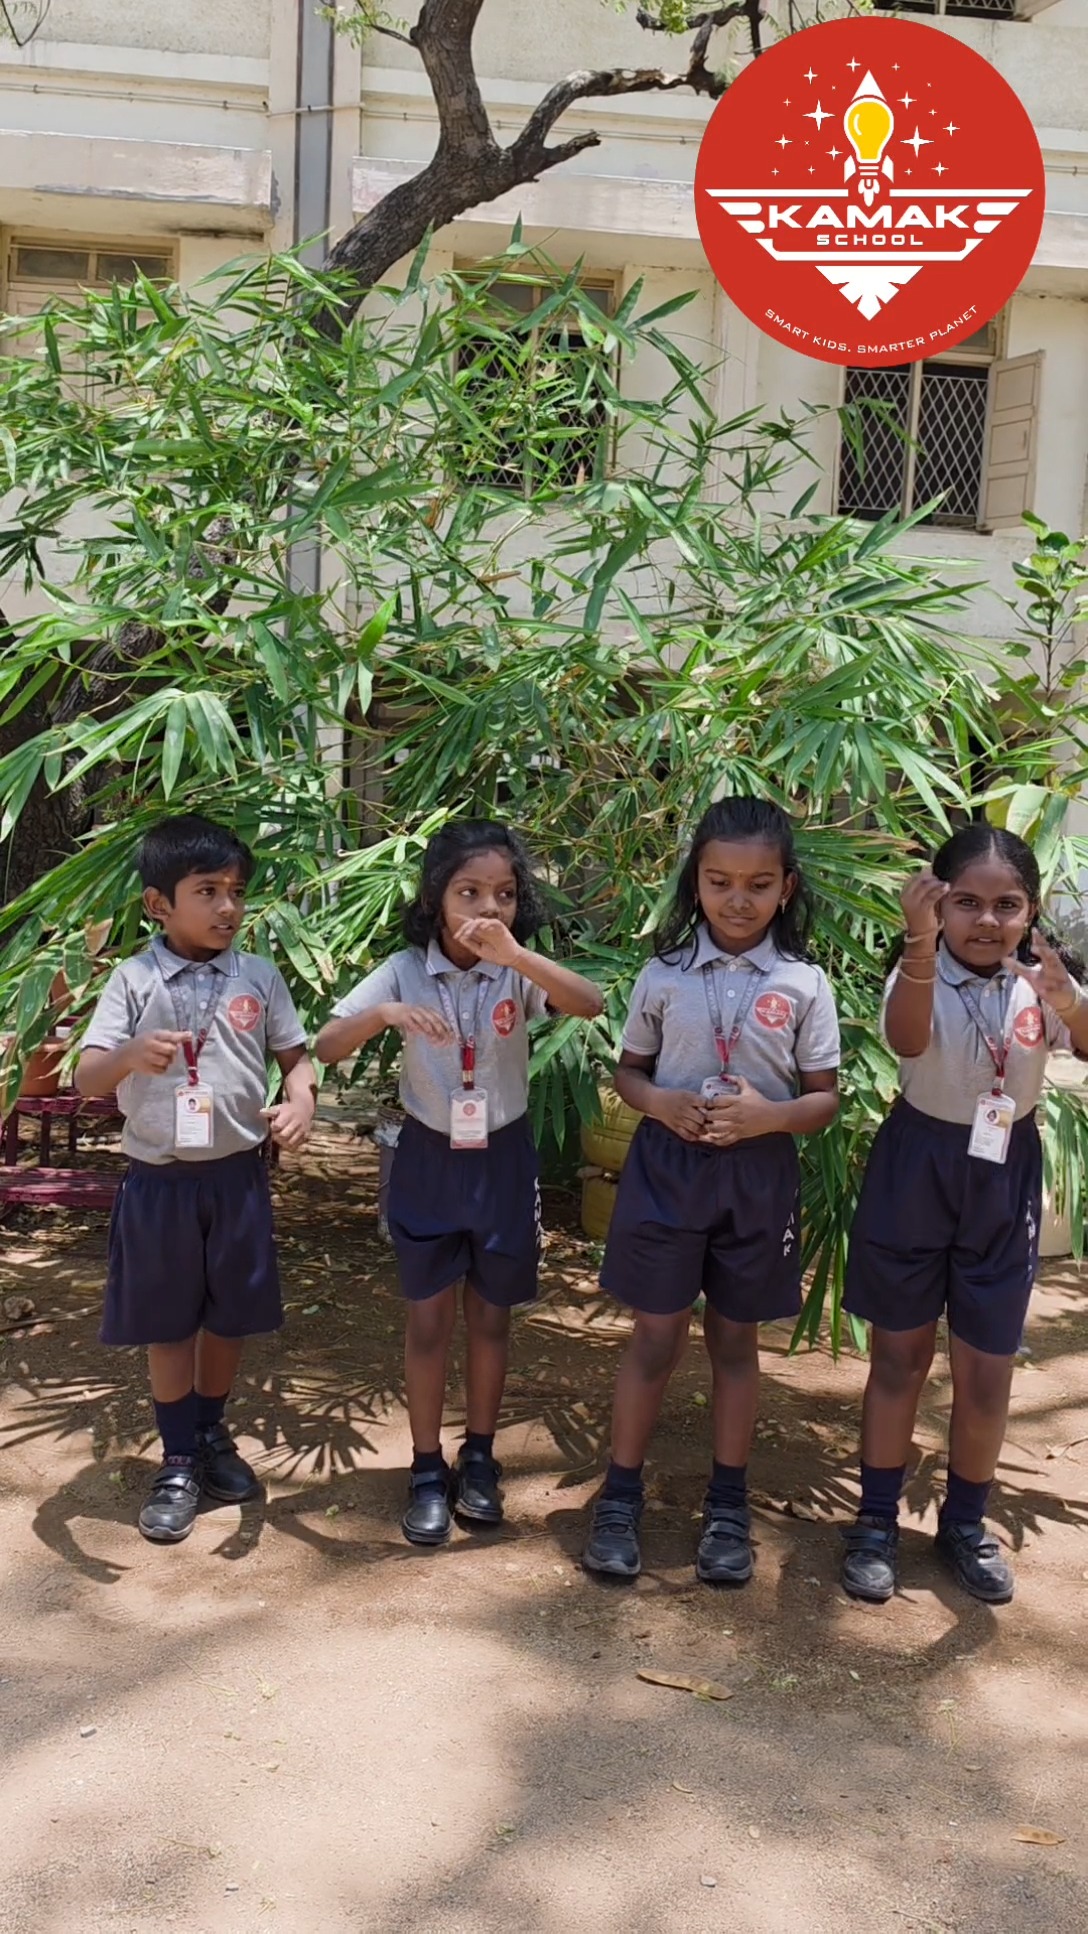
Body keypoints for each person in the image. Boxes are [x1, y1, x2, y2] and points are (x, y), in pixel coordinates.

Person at [314, 819, 603, 1547]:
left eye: (504, 894)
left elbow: (590, 1004)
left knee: (494, 1317)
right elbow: (325, 1042)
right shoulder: (406, 969)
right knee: (428, 1320)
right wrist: (381, 1015)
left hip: (502, 1156)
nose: (488, 908)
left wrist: (521, 957)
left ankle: (480, 1456)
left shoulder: (516, 967)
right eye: (468, 891)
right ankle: (423, 1466)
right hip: (428, 1156)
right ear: (435, 897)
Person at [582, 798, 841, 1585]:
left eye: (758, 884)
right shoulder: (663, 973)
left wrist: (768, 1117)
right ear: (694, 883)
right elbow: (629, 1071)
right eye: (720, 881)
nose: (738, 899)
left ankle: (728, 1506)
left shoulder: (804, 984)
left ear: (786, 890)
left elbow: (824, 1099)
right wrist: (659, 1101)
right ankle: (620, 1497)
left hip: (757, 1178)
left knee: (735, 1342)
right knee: (653, 1339)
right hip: (668, 1171)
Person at [840, 825, 1088, 1606]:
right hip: (916, 1166)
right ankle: (876, 1522)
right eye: (967, 903)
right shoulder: (918, 971)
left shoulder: (1041, 983)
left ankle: (965, 1525)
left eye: (1006, 905)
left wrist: (1069, 1001)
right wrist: (917, 945)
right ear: (938, 904)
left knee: (986, 1372)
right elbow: (905, 1040)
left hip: (1002, 1174)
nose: (987, 922)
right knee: (900, 1359)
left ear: (1031, 909)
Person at [76, 815, 316, 1544]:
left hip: (238, 1180)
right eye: (206, 891)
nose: (226, 908)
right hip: (160, 1183)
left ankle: (211, 1433)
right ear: (158, 905)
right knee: (169, 1322)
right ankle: (177, 1458)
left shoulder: (259, 976)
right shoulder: (134, 979)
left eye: (236, 892)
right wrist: (128, 1057)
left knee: (228, 1317)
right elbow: (89, 1076)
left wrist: (301, 1099)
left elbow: (296, 1059)